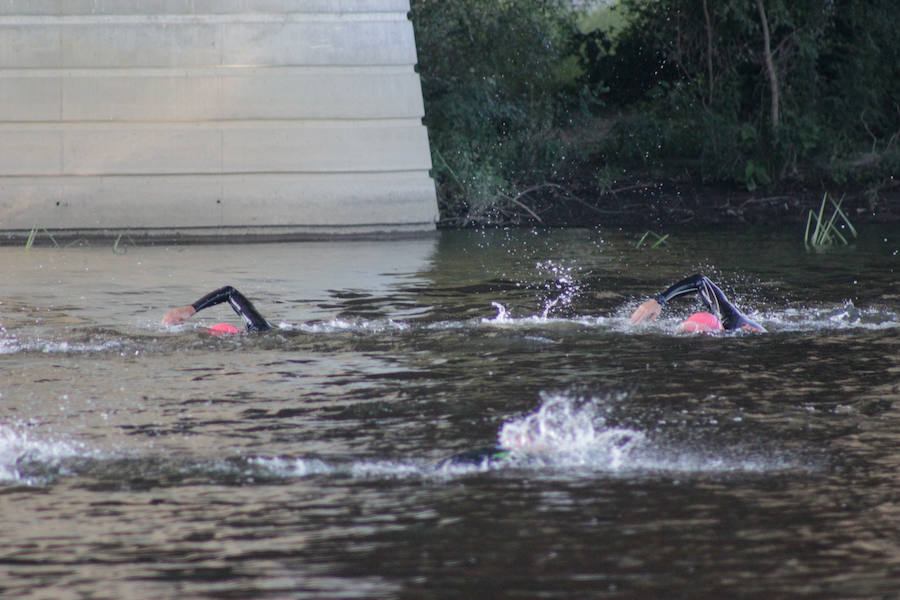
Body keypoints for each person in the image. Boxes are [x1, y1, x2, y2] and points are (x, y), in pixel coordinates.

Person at [630, 273, 766, 333]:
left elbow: (700, 280)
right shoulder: (722, 316)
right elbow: (700, 281)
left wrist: (659, 300)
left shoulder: (735, 323)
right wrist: (660, 301)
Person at [161, 286, 272, 333]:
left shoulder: (258, 329)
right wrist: (190, 310)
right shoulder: (258, 328)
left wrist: (191, 309)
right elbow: (229, 292)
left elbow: (229, 292)